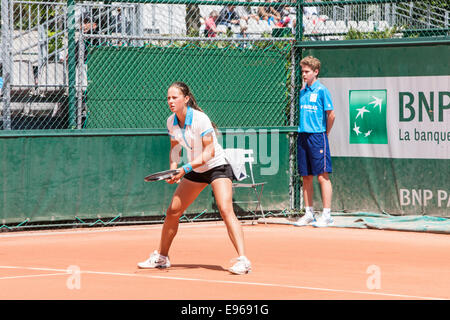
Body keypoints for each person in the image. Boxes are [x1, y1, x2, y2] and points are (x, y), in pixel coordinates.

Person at [137, 81, 252, 275]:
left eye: (175, 97)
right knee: (173, 211)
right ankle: (162, 258)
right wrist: (174, 170)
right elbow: (175, 148)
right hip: (195, 170)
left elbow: (209, 152)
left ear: (186, 99)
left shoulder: (200, 119)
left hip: (217, 166)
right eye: (168, 98)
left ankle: (243, 260)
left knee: (225, 209)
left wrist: (184, 169)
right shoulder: (170, 121)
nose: (170, 101)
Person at [294, 56, 335, 228]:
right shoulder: (302, 92)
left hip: (318, 137)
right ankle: (309, 213)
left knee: (322, 176)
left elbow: (331, 115)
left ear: (315, 72)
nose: (303, 74)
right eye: (302, 71)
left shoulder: (322, 91)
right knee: (306, 176)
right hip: (303, 136)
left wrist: (325, 133)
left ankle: (327, 215)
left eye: (307, 71)